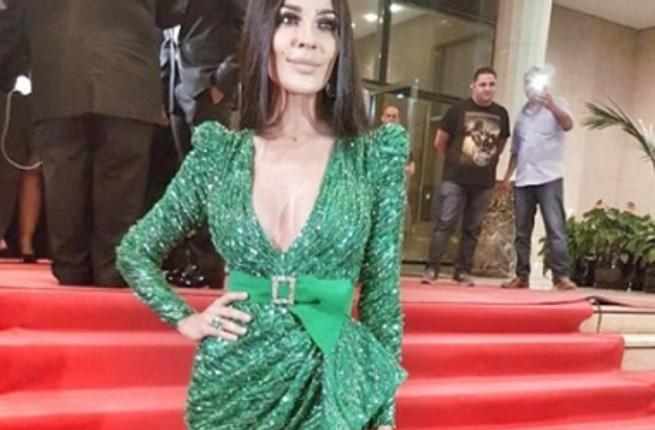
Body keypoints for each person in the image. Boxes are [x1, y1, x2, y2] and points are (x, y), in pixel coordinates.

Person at [117, 0, 407, 429]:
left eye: (326, 25)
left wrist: (383, 413)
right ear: (261, 35)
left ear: (340, 47)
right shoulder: (220, 156)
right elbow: (135, 250)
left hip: (327, 381)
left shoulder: (372, 159)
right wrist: (185, 318)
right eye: (289, 19)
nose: (307, 39)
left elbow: (382, 298)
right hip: (230, 383)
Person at [22, 0, 182, 286]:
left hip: (57, 73)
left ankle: (70, 267)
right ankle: (112, 269)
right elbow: (172, 11)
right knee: (121, 183)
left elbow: (14, 13)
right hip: (127, 76)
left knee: (63, 180)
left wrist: (13, 65)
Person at [161, 0, 248, 289]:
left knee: (211, 180)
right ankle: (188, 259)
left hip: (208, 86)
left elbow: (249, 29)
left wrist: (223, 82)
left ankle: (209, 265)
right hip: (175, 86)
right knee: (186, 181)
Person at [421, 66, 510, 286]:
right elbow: (440, 142)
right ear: (473, 86)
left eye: (491, 84)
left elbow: (500, 144)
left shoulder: (501, 114)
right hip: (455, 179)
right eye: (483, 84)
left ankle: (462, 271)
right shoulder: (456, 111)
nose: (487, 88)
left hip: (484, 182)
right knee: (446, 223)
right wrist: (455, 161)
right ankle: (431, 269)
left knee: (473, 228)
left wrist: (487, 161)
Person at [500, 67, 576, 291]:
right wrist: (507, 177)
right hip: (524, 179)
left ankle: (561, 276)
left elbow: (568, 124)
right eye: (528, 84)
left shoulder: (558, 104)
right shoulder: (521, 115)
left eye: (536, 83)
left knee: (555, 228)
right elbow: (516, 150)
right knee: (522, 231)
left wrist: (552, 107)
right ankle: (521, 276)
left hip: (549, 177)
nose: (532, 89)